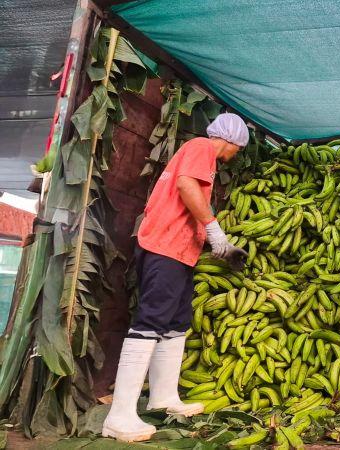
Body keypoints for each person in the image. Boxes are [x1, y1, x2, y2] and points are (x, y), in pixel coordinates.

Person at [102, 113, 250, 442]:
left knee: (176, 323)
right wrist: (215, 231)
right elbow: (186, 186)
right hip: (164, 247)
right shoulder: (202, 147)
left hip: (180, 252)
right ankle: (120, 415)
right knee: (151, 322)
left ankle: (164, 397)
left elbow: (188, 201)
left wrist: (216, 245)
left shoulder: (202, 156)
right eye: (237, 149)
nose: (234, 156)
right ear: (230, 141)